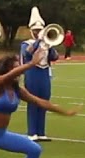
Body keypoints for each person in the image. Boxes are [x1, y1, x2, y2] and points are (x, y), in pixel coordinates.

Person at [19, 7, 60, 141]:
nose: (38, 32)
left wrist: (50, 45)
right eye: (35, 30)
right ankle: (32, 132)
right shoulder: (26, 43)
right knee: (33, 102)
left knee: (44, 102)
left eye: (40, 30)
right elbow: (27, 53)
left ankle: (41, 132)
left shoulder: (46, 43)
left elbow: (54, 57)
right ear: (31, 30)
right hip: (32, 74)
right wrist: (38, 41)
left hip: (44, 74)